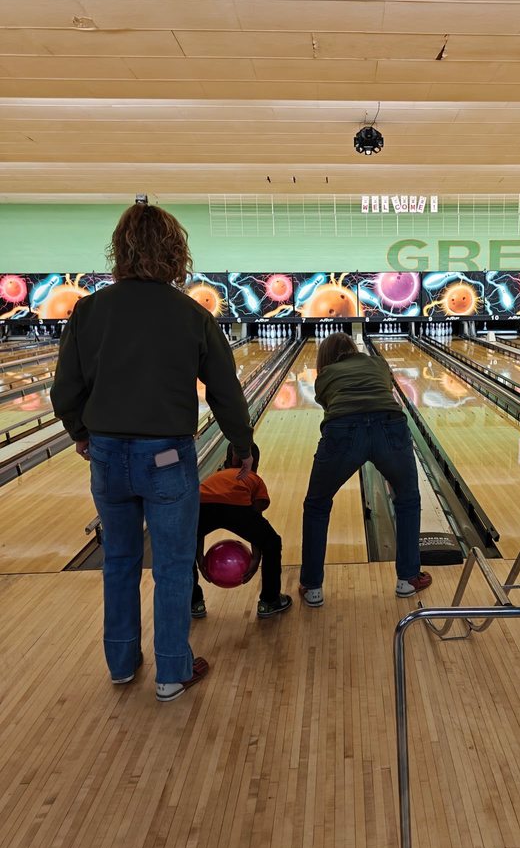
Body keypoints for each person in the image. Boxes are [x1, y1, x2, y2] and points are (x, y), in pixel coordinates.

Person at [51, 202, 254, 702]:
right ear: (175, 252)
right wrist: (242, 445)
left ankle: (121, 664)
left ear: (118, 251)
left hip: (106, 456)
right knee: (170, 564)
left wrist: (81, 431)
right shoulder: (191, 314)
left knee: (118, 560)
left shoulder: (89, 310)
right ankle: (171, 672)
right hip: (166, 457)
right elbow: (226, 391)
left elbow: (64, 390)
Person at [299, 332, 431, 607]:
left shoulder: (324, 376)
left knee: (316, 505)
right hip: (390, 426)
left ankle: (312, 587)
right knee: (407, 501)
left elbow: (328, 403)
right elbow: (385, 388)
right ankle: (407, 579)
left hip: (343, 431)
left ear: (325, 358)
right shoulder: (378, 364)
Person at [192, 443, 291, 620]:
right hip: (238, 509)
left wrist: (199, 556)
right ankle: (270, 601)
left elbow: (197, 523)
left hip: (202, 506)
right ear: (256, 465)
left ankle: (194, 603)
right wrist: (256, 556)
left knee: (186, 547)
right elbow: (256, 517)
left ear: (226, 463)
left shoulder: (215, 476)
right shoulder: (254, 478)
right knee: (272, 543)